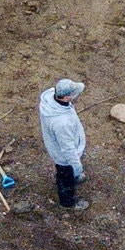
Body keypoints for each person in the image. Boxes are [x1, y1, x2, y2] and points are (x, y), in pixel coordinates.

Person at [38, 78, 89, 210]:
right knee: (66, 176)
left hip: (57, 147)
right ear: (66, 97)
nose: (76, 95)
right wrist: (77, 168)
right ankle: (67, 202)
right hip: (64, 158)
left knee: (64, 172)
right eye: (73, 94)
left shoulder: (51, 99)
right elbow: (68, 150)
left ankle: (68, 179)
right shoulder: (62, 123)